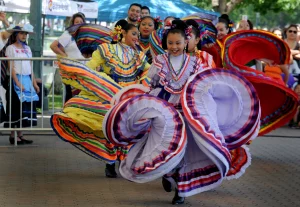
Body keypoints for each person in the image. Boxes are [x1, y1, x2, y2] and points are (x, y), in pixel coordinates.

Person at [104, 20, 261, 205]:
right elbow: (150, 83)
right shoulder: (159, 61)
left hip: (188, 111)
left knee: (185, 150)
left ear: (186, 42)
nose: (174, 47)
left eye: (178, 43)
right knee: (164, 144)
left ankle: (181, 190)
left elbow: (203, 85)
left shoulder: (195, 63)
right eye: (170, 43)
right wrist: (142, 102)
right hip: (164, 110)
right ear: (165, 43)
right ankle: (168, 174)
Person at [51, 20, 150, 179]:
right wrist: (93, 77)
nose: (137, 38)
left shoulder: (138, 55)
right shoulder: (105, 49)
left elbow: (149, 71)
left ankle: (123, 162)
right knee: (110, 128)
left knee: (127, 129)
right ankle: (110, 163)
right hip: (109, 95)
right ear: (122, 33)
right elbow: (90, 68)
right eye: (134, 34)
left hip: (128, 96)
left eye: (137, 35)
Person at [3, 24, 39, 145]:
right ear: (16, 34)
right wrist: (17, 83)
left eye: (25, 34)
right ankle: (13, 136)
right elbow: (11, 66)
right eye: (21, 33)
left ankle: (20, 135)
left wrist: (34, 83)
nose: (24, 36)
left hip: (27, 80)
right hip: (16, 80)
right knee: (16, 108)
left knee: (24, 109)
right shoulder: (10, 48)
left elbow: (30, 66)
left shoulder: (27, 49)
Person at [50, 12, 86, 102]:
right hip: (71, 70)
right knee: (71, 95)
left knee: (81, 97)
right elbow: (53, 46)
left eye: (81, 21)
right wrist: (64, 56)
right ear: (72, 23)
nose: (79, 23)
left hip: (83, 71)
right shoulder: (68, 34)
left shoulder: (85, 36)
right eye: (76, 22)